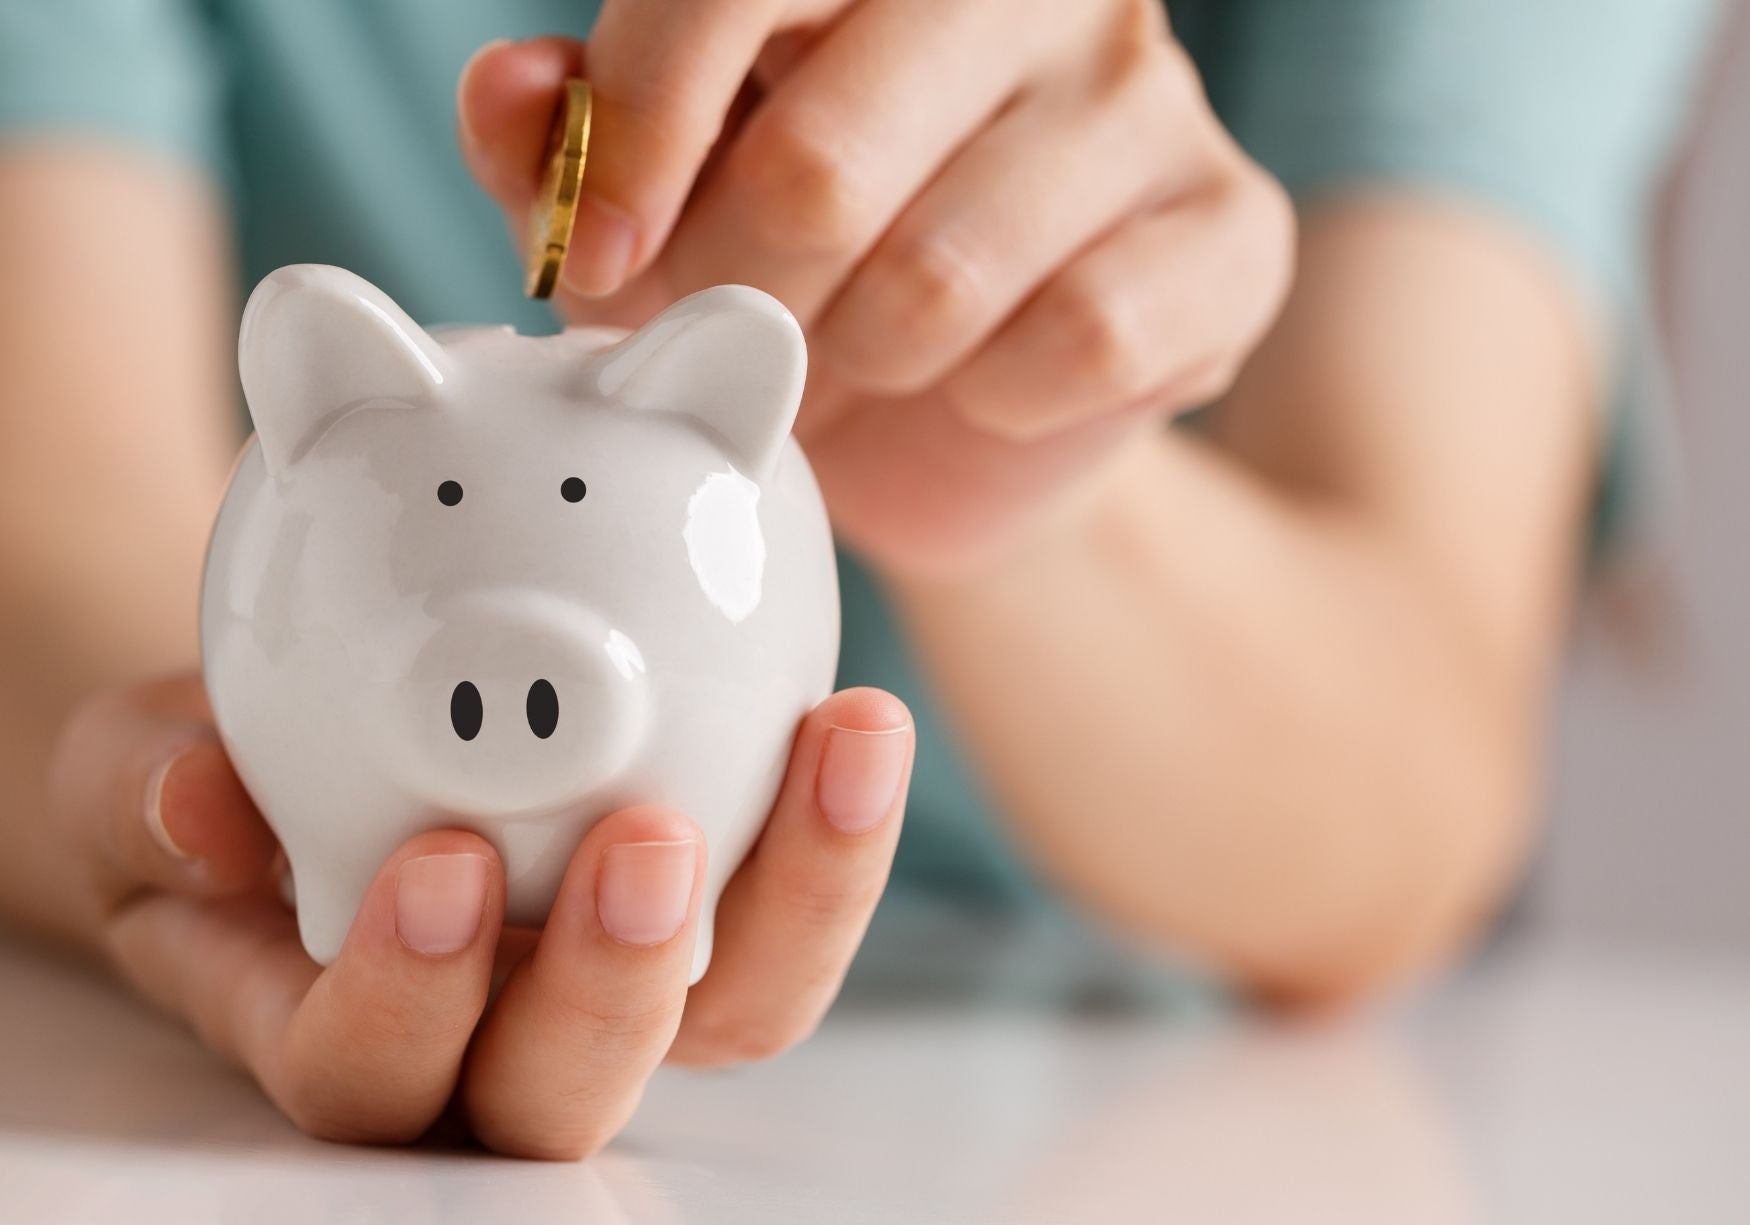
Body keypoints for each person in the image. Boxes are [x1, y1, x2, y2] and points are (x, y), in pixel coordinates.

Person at [0, 0, 1719, 1159]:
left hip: (1132, 1096)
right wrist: (193, 806)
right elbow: (54, 526)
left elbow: (1409, 762)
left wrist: (994, 432)